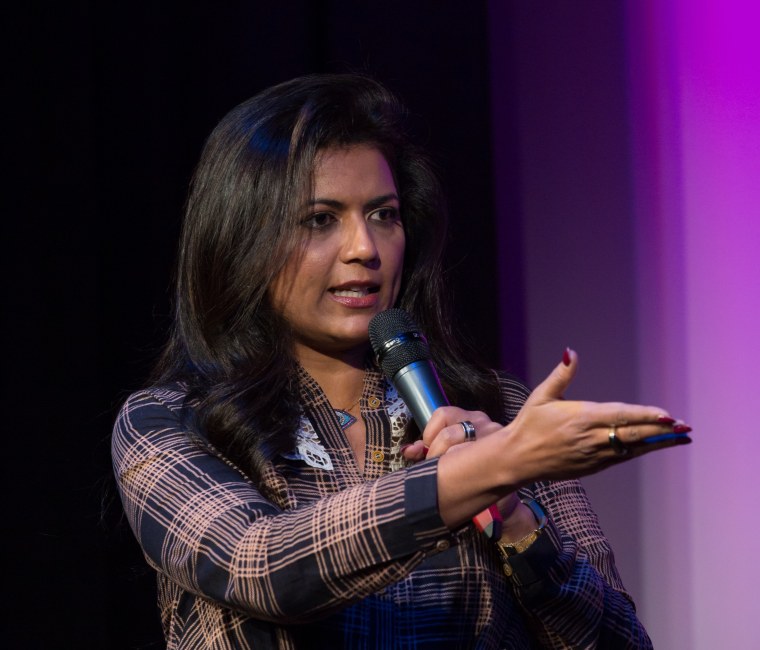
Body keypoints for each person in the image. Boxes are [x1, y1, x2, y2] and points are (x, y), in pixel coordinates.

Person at [112, 73, 691, 649]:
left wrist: (514, 516)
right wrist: (482, 470)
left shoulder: (499, 412)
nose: (364, 248)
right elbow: (257, 566)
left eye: (383, 215)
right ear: (242, 237)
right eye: (320, 219)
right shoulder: (170, 421)